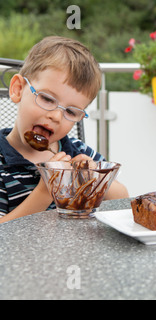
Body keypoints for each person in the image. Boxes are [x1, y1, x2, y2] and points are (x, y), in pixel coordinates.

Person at [0, 36, 129, 223]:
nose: (56, 116)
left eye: (70, 111)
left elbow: (123, 202)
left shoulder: (79, 151)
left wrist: (96, 179)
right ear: (18, 89)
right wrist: (46, 191)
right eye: (47, 99)